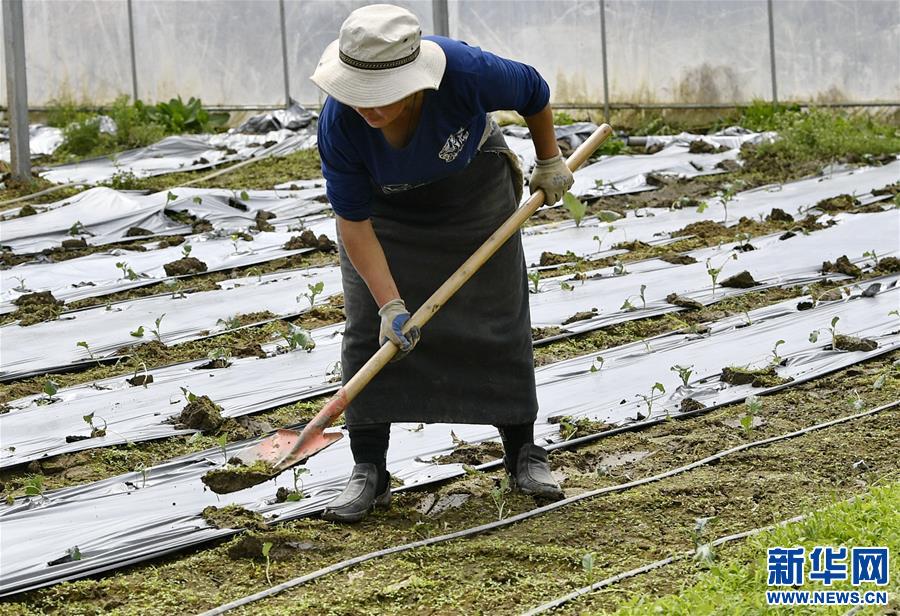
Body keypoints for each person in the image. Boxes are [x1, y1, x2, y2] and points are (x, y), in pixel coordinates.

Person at [311, 3, 574, 523]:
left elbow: (534, 92)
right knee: (368, 327)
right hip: (384, 213)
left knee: (497, 315)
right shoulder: (340, 122)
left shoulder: (465, 73)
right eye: (356, 93)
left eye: (379, 96)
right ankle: (369, 469)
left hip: (471, 192)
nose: (366, 106)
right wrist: (389, 303)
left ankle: (523, 451)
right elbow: (353, 222)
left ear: (415, 82)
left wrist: (548, 159)